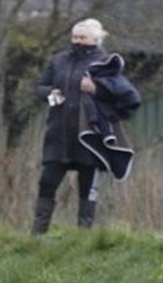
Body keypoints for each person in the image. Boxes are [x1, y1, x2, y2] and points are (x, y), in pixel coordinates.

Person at [31, 17, 133, 234]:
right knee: (47, 183)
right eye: (75, 37)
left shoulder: (105, 63)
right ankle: (36, 236)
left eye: (83, 37)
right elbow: (39, 86)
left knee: (87, 188)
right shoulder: (58, 60)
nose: (77, 41)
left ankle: (83, 237)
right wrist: (49, 93)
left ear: (95, 39)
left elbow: (126, 97)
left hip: (89, 136)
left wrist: (96, 90)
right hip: (58, 134)